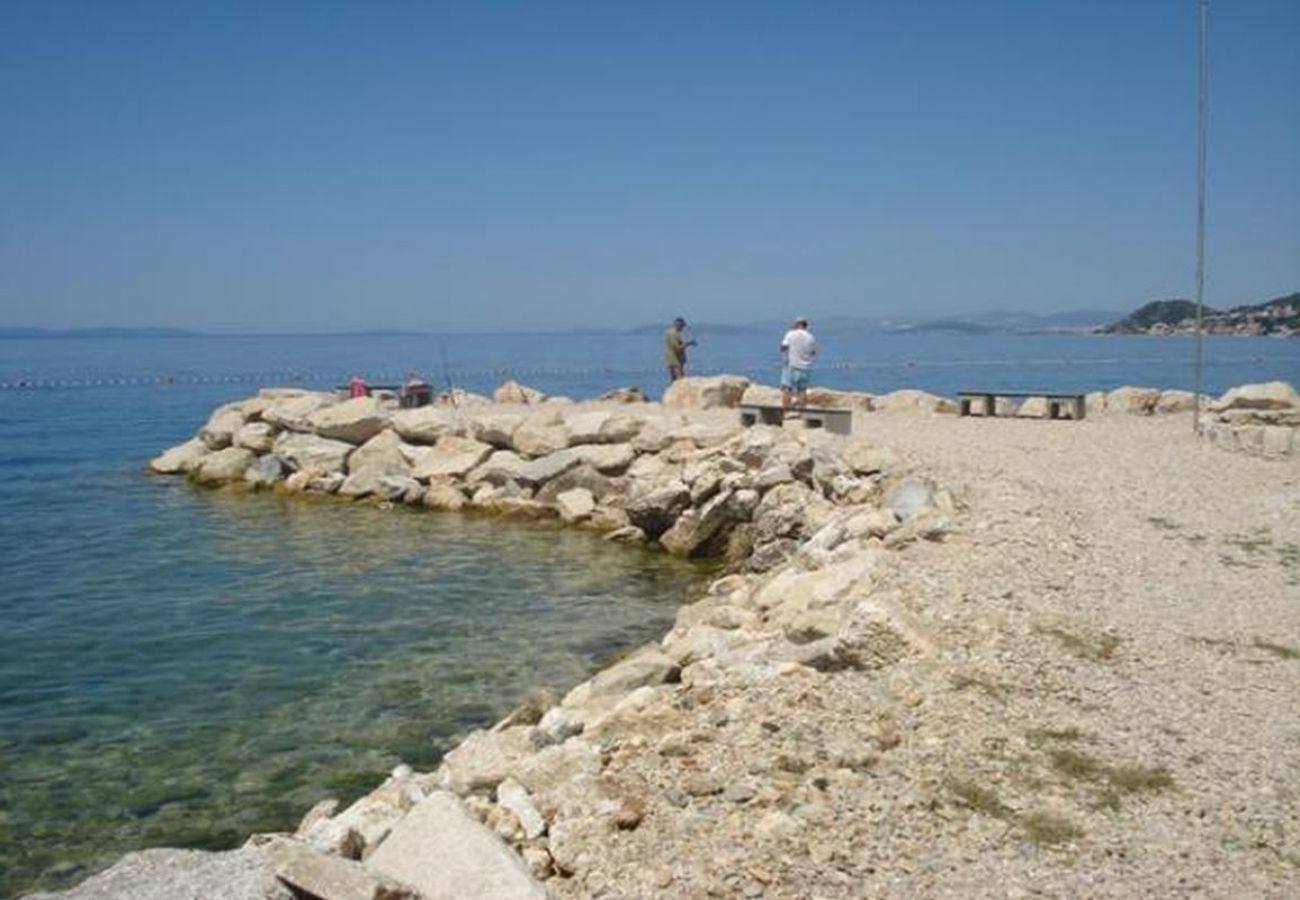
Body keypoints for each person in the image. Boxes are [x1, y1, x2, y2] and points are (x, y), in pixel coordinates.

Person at [779, 317, 817, 414]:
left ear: (797, 324)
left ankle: (786, 412)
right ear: (805, 326)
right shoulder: (810, 337)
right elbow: (813, 352)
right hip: (805, 367)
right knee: (802, 390)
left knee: (787, 389)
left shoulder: (790, 334)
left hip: (791, 365)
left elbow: (783, 347)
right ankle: (802, 413)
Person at [663, 317, 697, 381]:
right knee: (679, 379)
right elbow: (677, 348)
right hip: (675, 359)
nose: (683, 328)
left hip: (672, 359)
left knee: (674, 379)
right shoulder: (673, 334)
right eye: (682, 326)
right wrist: (689, 343)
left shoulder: (671, 333)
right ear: (678, 325)